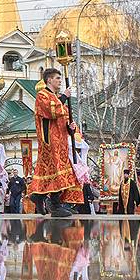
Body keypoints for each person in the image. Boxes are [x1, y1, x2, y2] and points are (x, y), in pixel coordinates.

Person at [30, 68, 81, 217]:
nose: (60, 80)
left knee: (57, 172)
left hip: (61, 142)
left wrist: (70, 128)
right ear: (49, 80)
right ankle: (54, 204)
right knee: (56, 172)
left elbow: (63, 118)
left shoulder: (56, 97)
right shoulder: (42, 95)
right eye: (57, 78)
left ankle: (39, 197)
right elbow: (51, 111)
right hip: (50, 142)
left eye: (60, 78)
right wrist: (64, 97)